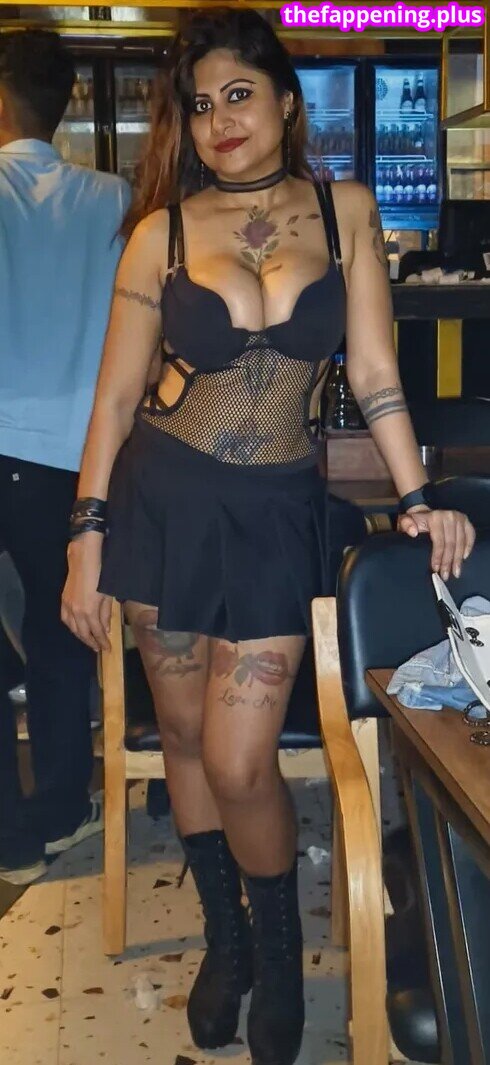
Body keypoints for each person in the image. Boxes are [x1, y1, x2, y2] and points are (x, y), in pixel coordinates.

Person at [62, 9, 475, 1064]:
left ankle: (279, 953)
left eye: (238, 95)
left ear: (287, 102)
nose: (219, 121)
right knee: (185, 737)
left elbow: (374, 372)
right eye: (200, 105)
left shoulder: (346, 212)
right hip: (163, 503)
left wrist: (419, 494)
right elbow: (113, 400)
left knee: (241, 757)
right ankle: (228, 943)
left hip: (275, 511)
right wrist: (85, 535)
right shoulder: (160, 233)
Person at [0, 29, 130, 886]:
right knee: (59, 636)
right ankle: (59, 807)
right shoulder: (114, 199)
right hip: (71, 457)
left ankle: (8, 833)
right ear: (65, 102)